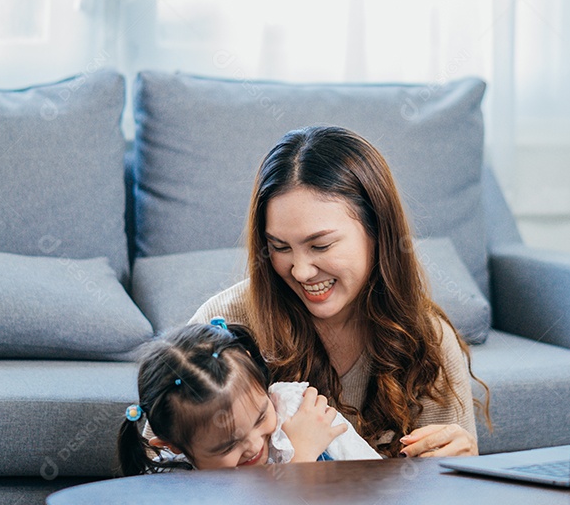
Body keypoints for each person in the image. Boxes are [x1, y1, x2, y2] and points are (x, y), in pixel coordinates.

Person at [190, 125, 489, 458]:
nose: (300, 271)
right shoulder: (223, 326)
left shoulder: (427, 339)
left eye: (321, 245)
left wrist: (462, 466)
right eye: (279, 247)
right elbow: (160, 474)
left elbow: (447, 496)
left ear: (378, 232)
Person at [116, 319, 381, 475]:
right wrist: (301, 459)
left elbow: (376, 478)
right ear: (174, 446)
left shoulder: (294, 411)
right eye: (228, 445)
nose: (255, 446)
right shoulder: (181, 487)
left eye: (261, 417)